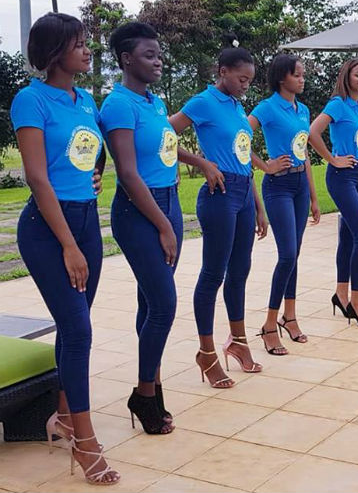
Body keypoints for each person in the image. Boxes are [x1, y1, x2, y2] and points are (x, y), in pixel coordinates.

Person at [11, 12, 119, 485]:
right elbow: (37, 177)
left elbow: (94, 148)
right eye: (78, 43)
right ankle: (86, 442)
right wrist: (69, 246)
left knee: (76, 324)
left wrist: (96, 172)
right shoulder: (30, 100)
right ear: (54, 51)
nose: (88, 50)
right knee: (77, 329)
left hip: (86, 221)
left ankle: (64, 415)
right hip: (47, 229)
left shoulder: (85, 100)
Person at [101, 22, 187, 435]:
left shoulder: (153, 102)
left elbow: (164, 148)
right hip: (140, 212)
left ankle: (152, 384)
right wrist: (163, 226)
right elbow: (128, 173)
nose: (158, 61)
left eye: (159, 54)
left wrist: (193, 165)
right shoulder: (119, 105)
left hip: (168, 202)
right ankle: (143, 394)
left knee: (150, 303)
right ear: (126, 59)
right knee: (164, 305)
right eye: (149, 55)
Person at [168, 40, 267, 388]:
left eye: (249, 80)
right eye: (241, 79)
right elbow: (163, 134)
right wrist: (201, 162)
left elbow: (243, 159)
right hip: (219, 196)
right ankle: (206, 352)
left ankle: (238, 342)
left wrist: (258, 206)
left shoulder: (238, 108)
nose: (245, 85)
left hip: (243, 194)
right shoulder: (203, 102)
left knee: (240, 271)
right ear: (223, 72)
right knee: (213, 274)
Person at [248, 54, 322, 354]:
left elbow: (304, 153)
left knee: (295, 255)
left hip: (300, 185)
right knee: (287, 254)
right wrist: (265, 165)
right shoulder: (267, 107)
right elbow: (240, 137)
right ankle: (269, 324)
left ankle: (289, 317)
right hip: (277, 187)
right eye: (297, 74)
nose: (302, 79)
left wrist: (314, 197)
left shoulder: (302, 110)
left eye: (303, 74)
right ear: (282, 78)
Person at [308, 58, 358, 326]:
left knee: (348, 236)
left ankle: (341, 294)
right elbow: (313, 132)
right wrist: (332, 159)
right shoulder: (337, 104)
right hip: (341, 176)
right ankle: (357, 302)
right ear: (346, 77)